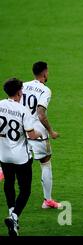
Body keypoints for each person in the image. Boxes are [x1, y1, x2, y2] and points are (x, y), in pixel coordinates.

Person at [0, 78, 42, 236]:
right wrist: (40, 134)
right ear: (19, 92)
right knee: (25, 190)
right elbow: (31, 134)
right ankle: (14, 216)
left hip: (3, 154)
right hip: (20, 157)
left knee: (9, 183)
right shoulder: (23, 110)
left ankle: (12, 214)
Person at [21, 61, 62, 208]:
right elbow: (41, 114)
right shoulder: (45, 90)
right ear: (44, 73)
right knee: (45, 162)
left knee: (14, 162)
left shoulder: (23, 86)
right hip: (37, 132)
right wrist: (51, 131)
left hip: (21, 131)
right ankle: (47, 200)